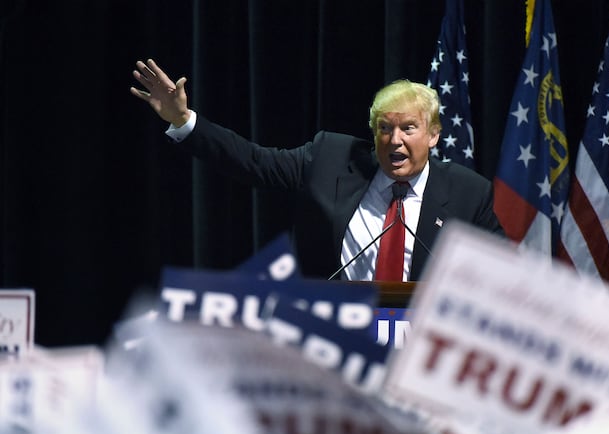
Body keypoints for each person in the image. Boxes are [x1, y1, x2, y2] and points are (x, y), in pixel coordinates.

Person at [131, 58, 503, 282]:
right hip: (336, 343)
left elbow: (504, 274)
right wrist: (183, 120)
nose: (394, 141)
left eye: (408, 128)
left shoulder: (469, 193)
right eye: (384, 129)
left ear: (434, 135)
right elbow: (254, 162)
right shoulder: (330, 158)